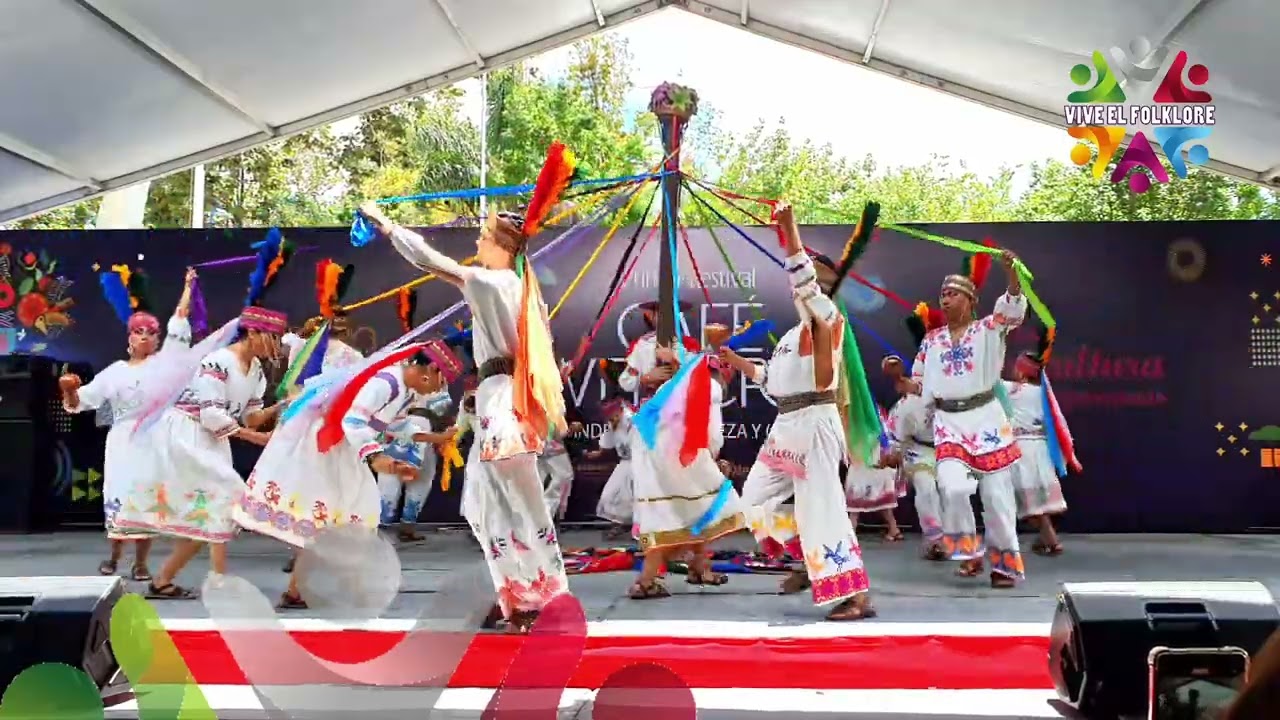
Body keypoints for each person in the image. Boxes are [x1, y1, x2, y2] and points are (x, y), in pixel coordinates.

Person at [355, 142, 574, 632]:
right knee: (483, 505)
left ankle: (549, 599)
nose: (478, 238)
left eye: (484, 234)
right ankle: (517, 598)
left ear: (504, 245)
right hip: (497, 402)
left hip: (503, 404)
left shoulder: (498, 284)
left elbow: (434, 263)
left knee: (519, 504)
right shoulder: (519, 290)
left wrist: (388, 227)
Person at [719, 203, 875, 621]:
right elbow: (772, 380)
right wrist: (733, 361)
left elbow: (805, 286)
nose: (802, 288)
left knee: (822, 507)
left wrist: (790, 233)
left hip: (815, 424)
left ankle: (854, 595)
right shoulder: (791, 336)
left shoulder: (828, 319)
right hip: (786, 426)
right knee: (751, 503)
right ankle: (812, 559)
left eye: (812, 278)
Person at [236, 339, 464, 609]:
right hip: (328, 447)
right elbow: (353, 421)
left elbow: (392, 424)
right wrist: (377, 457)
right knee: (348, 512)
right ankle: (345, 588)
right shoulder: (386, 383)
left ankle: (302, 591)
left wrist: (434, 437)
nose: (437, 392)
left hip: (342, 448)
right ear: (431, 372)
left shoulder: (403, 389)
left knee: (345, 514)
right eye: (440, 384)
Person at [114, 304, 288, 598]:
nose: (276, 345)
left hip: (212, 439)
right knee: (224, 500)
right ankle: (218, 581)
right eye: (272, 337)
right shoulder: (218, 362)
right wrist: (259, 440)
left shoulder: (256, 370)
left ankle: (165, 580)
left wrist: (282, 407)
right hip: (187, 434)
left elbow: (251, 417)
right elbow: (211, 416)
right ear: (253, 332)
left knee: (210, 513)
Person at [62, 266, 197, 582]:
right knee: (120, 499)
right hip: (123, 442)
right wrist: (68, 389)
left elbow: (180, 317)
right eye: (139, 332)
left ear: (157, 338)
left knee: (147, 501)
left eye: (151, 333)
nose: (145, 337)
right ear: (129, 337)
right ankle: (113, 556)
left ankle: (141, 563)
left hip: (154, 440)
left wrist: (189, 285)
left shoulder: (165, 365)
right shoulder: (115, 371)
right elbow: (79, 402)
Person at [915, 246, 1026, 588]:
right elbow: (920, 381)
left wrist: (1012, 273)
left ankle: (1004, 565)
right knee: (952, 485)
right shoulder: (932, 340)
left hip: (986, 418)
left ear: (970, 300)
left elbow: (1012, 305)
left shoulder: (989, 329)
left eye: (952, 294)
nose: (945, 300)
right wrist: (897, 377)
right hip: (949, 423)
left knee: (996, 496)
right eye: (942, 295)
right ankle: (968, 550)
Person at [1004, 324, 1080, 557]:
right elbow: (1059, 424)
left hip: (1022, 449)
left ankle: (1051, 539)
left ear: (1021, 370)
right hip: (1039, 449)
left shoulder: (1010, 390)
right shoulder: (1044, 394)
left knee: (1029, 503)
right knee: (1036, 501)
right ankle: (1046, 539)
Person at [880, 305, 946, 559]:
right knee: (927, 488)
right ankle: (935, 540)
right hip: (920, 450)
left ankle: (959, 539)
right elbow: (898, 434)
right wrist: (893, 453)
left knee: (954, 491)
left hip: (953, 445)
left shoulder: (958, 386)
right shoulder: (911, 401)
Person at [844, 403, 904, 542]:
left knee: (856, 505)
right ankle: (894, 529)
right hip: (876, 463)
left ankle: (851, 532)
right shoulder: (877, 413)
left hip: (868, 464)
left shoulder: (856, 416)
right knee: (880, 501)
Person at [590, 382, 635, 540]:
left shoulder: (632, 420)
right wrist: (598, 453)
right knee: (609, 495)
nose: (610, 418)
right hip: (624, 464)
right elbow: (607, 440)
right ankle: (620, 524)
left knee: (633, 497)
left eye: (612, 415)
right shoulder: (612, 422)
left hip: (637, 464)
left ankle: (635, 528)